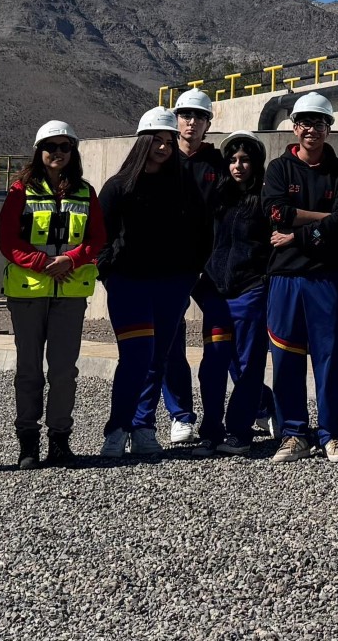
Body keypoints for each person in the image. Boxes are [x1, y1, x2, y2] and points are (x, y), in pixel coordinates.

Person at [97, 107, 211, 458]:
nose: (163, 147)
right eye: (157, 140)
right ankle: (118, 429)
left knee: (157, 358)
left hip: (172, 286)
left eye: (169, 141)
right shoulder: (118, 186)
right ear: (142, 142)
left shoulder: (183, 185)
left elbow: (202, 230)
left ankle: (144, 427)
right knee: (135, 357)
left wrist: (190, 274)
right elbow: (98, 235)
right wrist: (109, 274)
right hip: (128, 285)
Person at [0, 120, 104, 470]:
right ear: (38, 151)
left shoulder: (85, 192)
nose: (57, 153)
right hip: (28, 292)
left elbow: (97, 238)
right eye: (50, 147)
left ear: (72, 151)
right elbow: (8, 240)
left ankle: (59, 440)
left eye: (64, 147)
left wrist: (70, 259)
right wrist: (43, 263)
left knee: (63, 372)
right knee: (28, 369)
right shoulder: (20, 191)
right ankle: (27, 442)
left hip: (70, 293)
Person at [263, 93, 338, 463]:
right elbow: (276, 212)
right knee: (285, 355)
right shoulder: (279, 168)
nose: (311, 130)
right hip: (285, 276)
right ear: (294, 127)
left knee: (329, 357)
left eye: (319, 123)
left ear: (328, 128)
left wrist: (297, 233)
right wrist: (324, 218)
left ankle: (331, 433)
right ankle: (294, 434)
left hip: (325, 277)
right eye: (304, 122)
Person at [191, 131, 271, 457]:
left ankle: (239, 432)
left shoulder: (265, 200)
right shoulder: (216, 198)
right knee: (213, 364)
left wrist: (264, 280)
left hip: (250, 290)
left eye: (245, 160)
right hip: (215, 294)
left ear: (256, 164)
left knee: (249, 363)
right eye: (233, 160)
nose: (238, 166)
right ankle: (210, 431)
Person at [159, 88, 230, 446]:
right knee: (171, 342)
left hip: (212, 267)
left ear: (208, 124)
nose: (191, 122)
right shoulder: (162, 161)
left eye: (199, 116)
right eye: (186, 115)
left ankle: (258, 404)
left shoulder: (219, 164)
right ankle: (180, 415)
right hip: (172, 266)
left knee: (223, 342)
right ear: (176, 120)